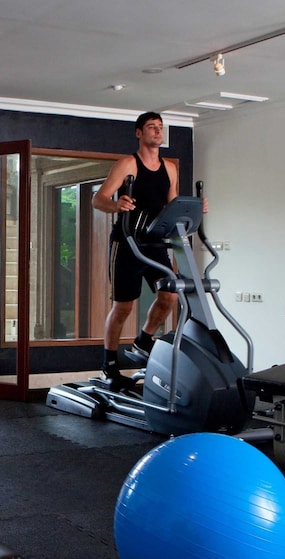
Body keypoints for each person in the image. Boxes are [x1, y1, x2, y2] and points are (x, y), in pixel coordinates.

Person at [92, 111, 205, 390]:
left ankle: (143, 340)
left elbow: (172, 206)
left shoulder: (170, 168)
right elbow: (98, 199)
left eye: (160, 127)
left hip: (155, 243)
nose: (157, 131)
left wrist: (193, 209)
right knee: (123, 307)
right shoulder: (128, 164)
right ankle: (109, 365)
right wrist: (116, 205)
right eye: (152, 127)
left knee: (170, 296)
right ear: (139, 133)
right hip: (127, 243)